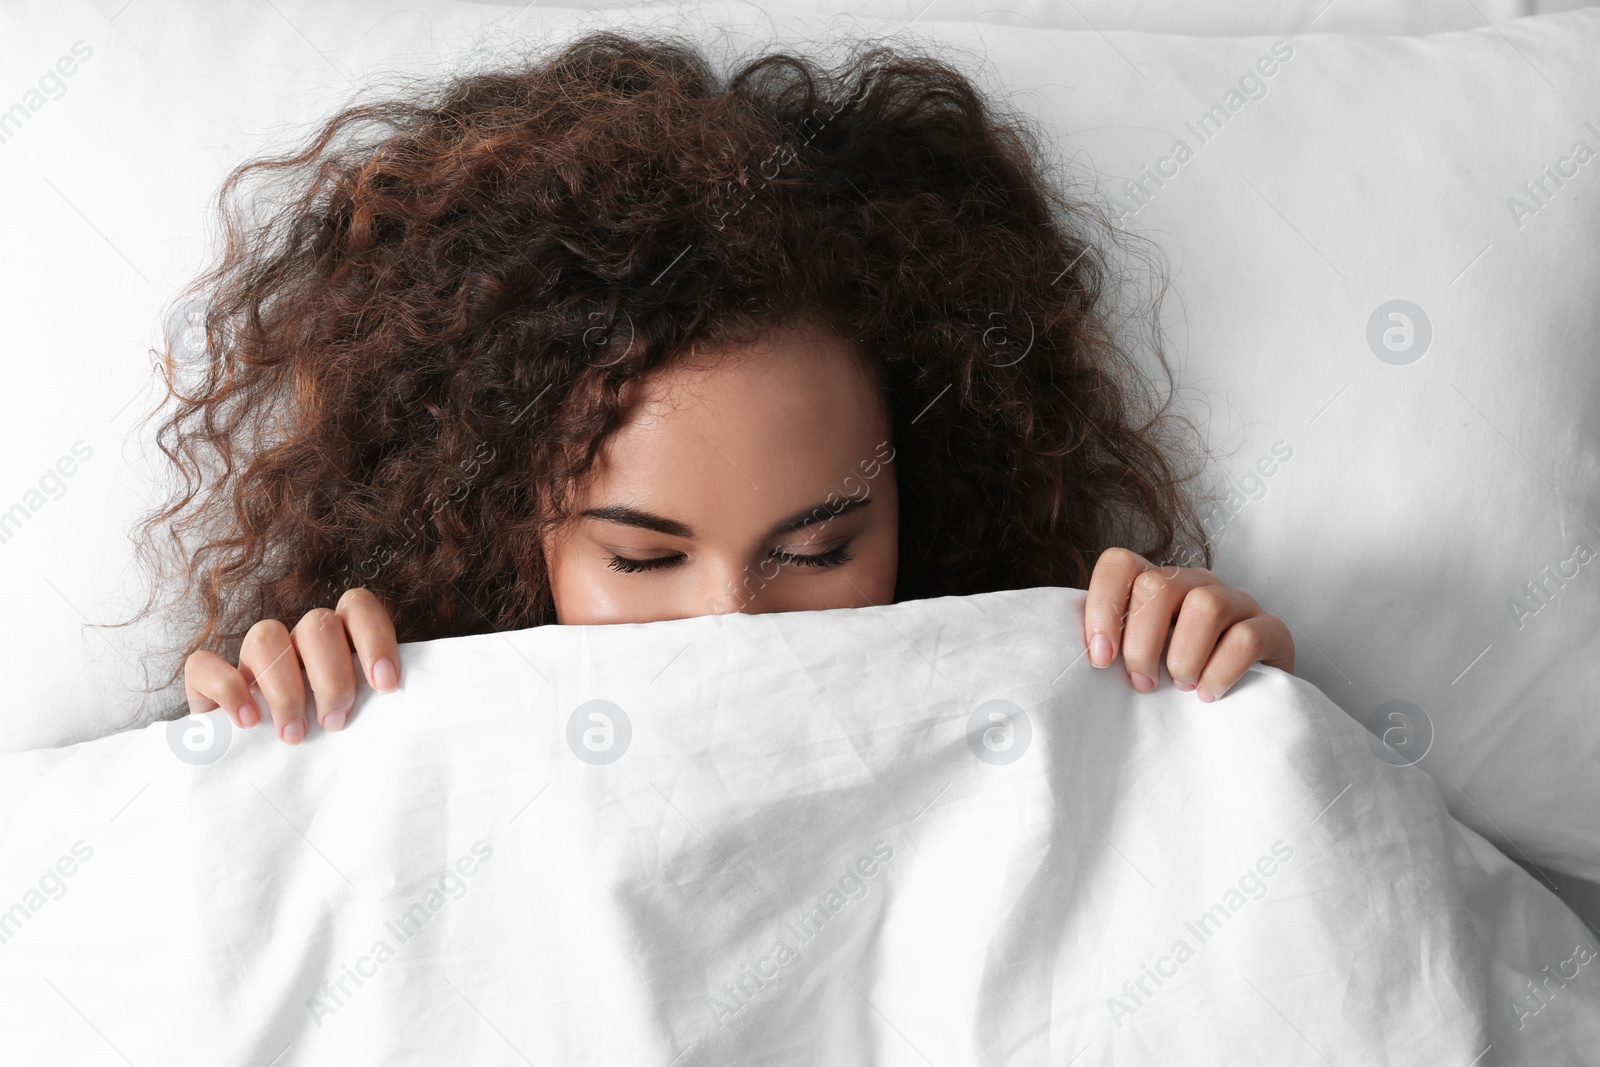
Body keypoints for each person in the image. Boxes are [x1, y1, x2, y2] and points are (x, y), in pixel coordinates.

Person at [131, 30, 1294, 745]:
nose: (734, 625)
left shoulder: (1034, 693)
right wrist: (261, 731)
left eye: (821, 549)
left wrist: (1227, 708)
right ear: (497, 527)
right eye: (642, 557)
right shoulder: (410, 707)